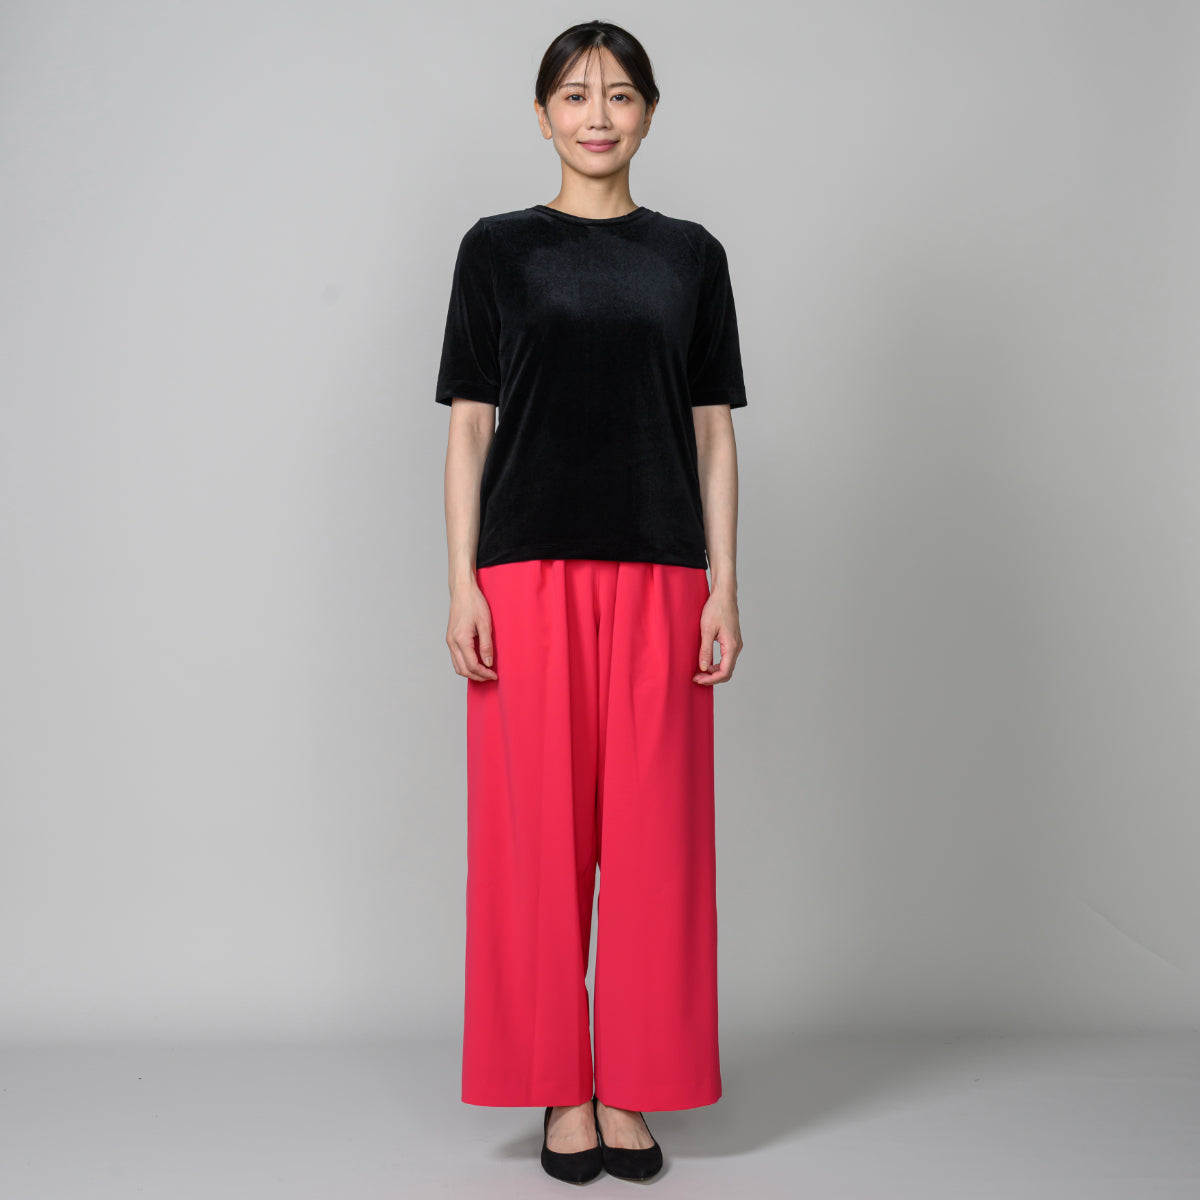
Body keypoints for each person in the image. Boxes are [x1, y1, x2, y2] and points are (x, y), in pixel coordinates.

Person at [435, 19, 747, 1185]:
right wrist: (461, 582)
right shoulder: (496, 250)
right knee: (534, 845)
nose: (598, 115)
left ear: (649, 113)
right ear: (542, 114)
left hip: (664, 572)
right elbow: (470, 427)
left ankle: (634, 1085)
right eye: (575, 94)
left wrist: (725, 585)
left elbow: (712, 431)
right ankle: (562, 1089)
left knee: (658, 844)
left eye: (619, 94)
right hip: (525, 572)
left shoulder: (691, 257)